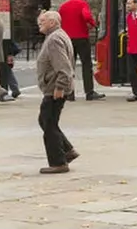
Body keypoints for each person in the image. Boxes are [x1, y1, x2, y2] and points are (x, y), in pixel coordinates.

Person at [35, 10, 79, 174]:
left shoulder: (54, 39)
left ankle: (58, 162)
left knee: (49, 123)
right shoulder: (57, 36)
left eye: (43, 21)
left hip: (55, 88)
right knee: (46, 120)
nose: (39, 23)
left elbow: (63, 67)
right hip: (53, 86)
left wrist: (59, 87)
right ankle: (67, 150)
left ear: (52, 22)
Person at [59, 0, 105, 101]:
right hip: (81, 38)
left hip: (67, 38)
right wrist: (93, 25)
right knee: (86, 65)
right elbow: (87, 16)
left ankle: (69, 93)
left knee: (69, 66)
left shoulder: (63, 6)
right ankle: (89, 92)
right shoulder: (82, 4)